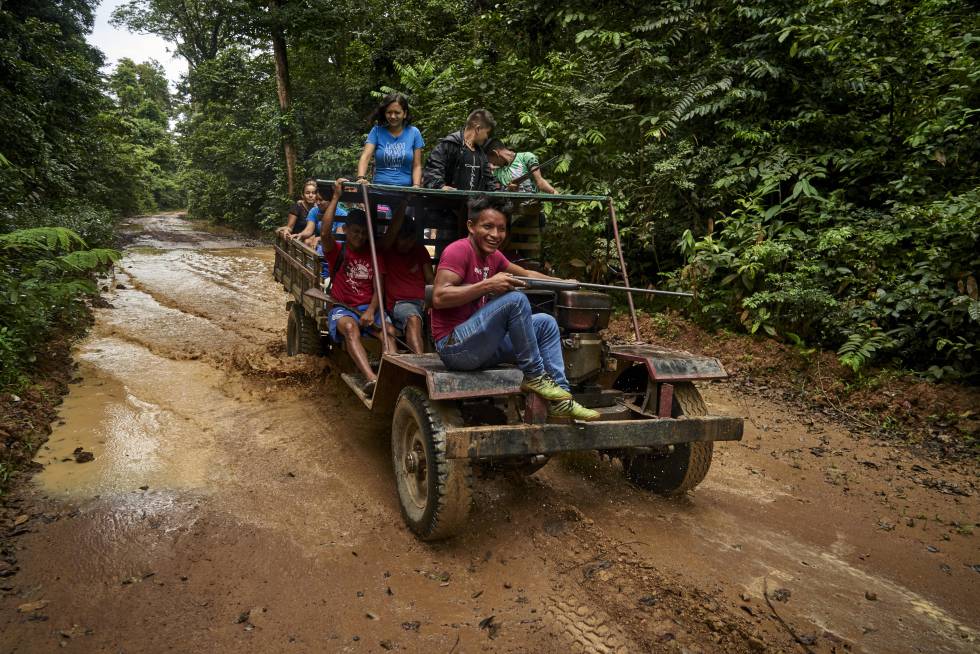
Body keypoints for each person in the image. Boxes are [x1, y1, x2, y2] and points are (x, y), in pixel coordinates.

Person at [430, 195, 599, 420]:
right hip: (455, 347)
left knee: (546, 323)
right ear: (471, 226)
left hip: (483, 346)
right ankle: (534, 376)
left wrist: (562, 283)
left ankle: (561, 400)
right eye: (488, 227)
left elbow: (527, 275)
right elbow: (439, 297)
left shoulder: (494, 256)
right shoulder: (458, 251)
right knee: (516, 300)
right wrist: (488, 285)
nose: (495, 234)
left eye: (501, 229)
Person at [320, 179, 396, 395]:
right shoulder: (338, 251)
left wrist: (371, 311)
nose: (360, 237)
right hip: (343, 308)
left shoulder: (374, 254)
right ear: (345, 230)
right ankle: (371, 379)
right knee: (350, 328)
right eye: (355, 231)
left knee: (389, 332)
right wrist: (336, 197)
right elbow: (324, 234)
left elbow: (379, 287)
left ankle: (391, 378)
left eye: (363, 233)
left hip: (368, 307)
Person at [380, 202, 433, 354]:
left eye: (411, 240)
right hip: (401, 304)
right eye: (404, 239)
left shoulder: (420, 250)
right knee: (413, 319)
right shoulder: (387, 251)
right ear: (396, 237)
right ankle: (420, 364)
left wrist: (432, 301)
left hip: (423, 303)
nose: (407, 244)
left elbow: (430, 279)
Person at [357, 93, 424, 188]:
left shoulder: (414, 133)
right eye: (389, 112)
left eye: (397, 113)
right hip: (379, 189)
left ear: (404, 114)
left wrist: (416, 185)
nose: (392, 116)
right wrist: (361, 178)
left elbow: (417, 165)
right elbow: (366, 156)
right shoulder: (377, 131)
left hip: (406, 191)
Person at [422, 109, 497, 192]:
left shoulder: (481, 154)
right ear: (478, 129)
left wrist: (502, 191)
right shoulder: (450, 145)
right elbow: (432, 171)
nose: (487, 137)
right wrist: (440, 187)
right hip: (447, 199)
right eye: (487, 133)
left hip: (472, 200)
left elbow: (489, 182)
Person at [485, 140, 558, 194]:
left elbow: (540, 182)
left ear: (495, 153)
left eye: (492, 161)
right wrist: (509, 190)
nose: (492, 164)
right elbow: (497, 195)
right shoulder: (496, 173)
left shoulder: (526, 157)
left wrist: (554, 192)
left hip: (533, 207)